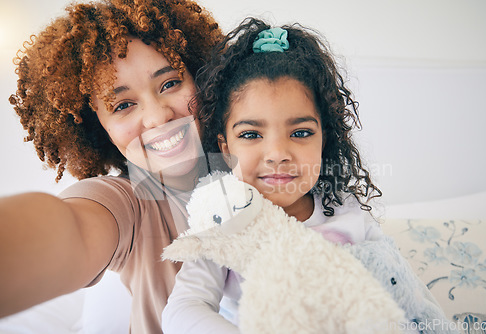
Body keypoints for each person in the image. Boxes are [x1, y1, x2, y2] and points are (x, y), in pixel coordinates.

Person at [0, 0, 223, 332]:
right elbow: (71, 230)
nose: (158, 116)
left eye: (170, 84)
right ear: (97, 128)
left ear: (201, 79)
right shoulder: (126, 202)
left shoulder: (268, 164)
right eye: (123, 105)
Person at [162, 18, 384, 333]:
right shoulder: (222, 224)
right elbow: (183, 310)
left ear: (325, 140)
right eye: (252, 135)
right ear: (226, 149)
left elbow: (397, 284)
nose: (277, 152)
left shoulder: (348, 211)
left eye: (302, 132)